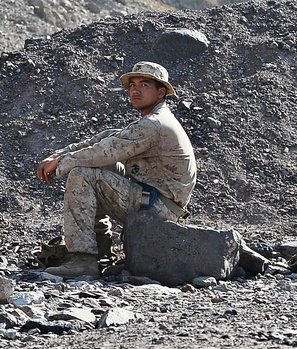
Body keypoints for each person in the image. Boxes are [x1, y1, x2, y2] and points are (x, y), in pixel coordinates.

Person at [36, 61, 197, 278]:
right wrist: (57, 156)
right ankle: (100, 248)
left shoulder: (153, 125)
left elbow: (105, 151)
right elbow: (107, 140)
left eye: (144, 84)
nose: (135, 90)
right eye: (132, 85)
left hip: (159, 210)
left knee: (82, 175)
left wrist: (63, 163)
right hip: (153, 200)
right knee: (101, 165)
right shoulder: (152, 120)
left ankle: (83, 259)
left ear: (161, 92)